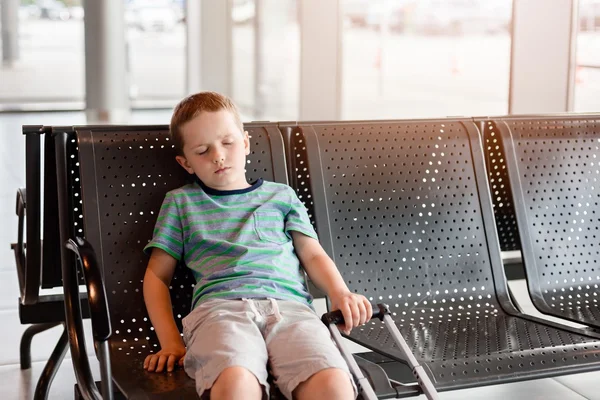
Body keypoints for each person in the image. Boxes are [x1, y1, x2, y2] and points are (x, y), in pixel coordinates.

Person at [142, 91, 372, 400]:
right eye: (202, 150)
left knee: (333, 384)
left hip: (291, 311)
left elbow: (313, 253)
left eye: (228, 142)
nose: (218, 155)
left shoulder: (282, 196)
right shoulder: (181, 203)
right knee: (236, 385)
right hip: (220, 312)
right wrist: (171, 341)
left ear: (246, 143)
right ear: (186, 163)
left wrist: (339, 291)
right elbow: (157, 277)